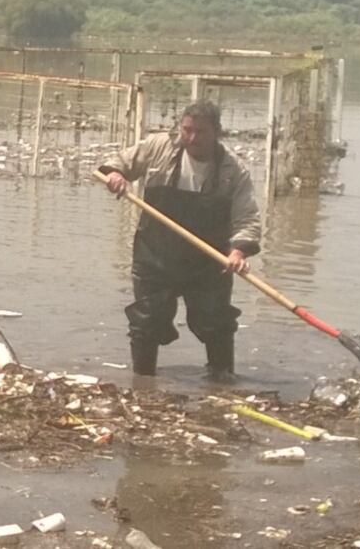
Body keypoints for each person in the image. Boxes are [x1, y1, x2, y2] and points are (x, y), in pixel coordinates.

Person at [99, 101, 260, 379]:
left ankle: (221, 381)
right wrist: (114, 175)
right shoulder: (160, 147)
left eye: (201, 132)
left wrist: (238, 252)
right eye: (187, 130)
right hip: (155, 255)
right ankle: (143, 383)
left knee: (216, 322)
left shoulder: (233, 171)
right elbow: (119, 164)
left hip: (208, 262)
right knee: (147, 321)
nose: (192, 138)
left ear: (216, 132)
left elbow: (247, 218)